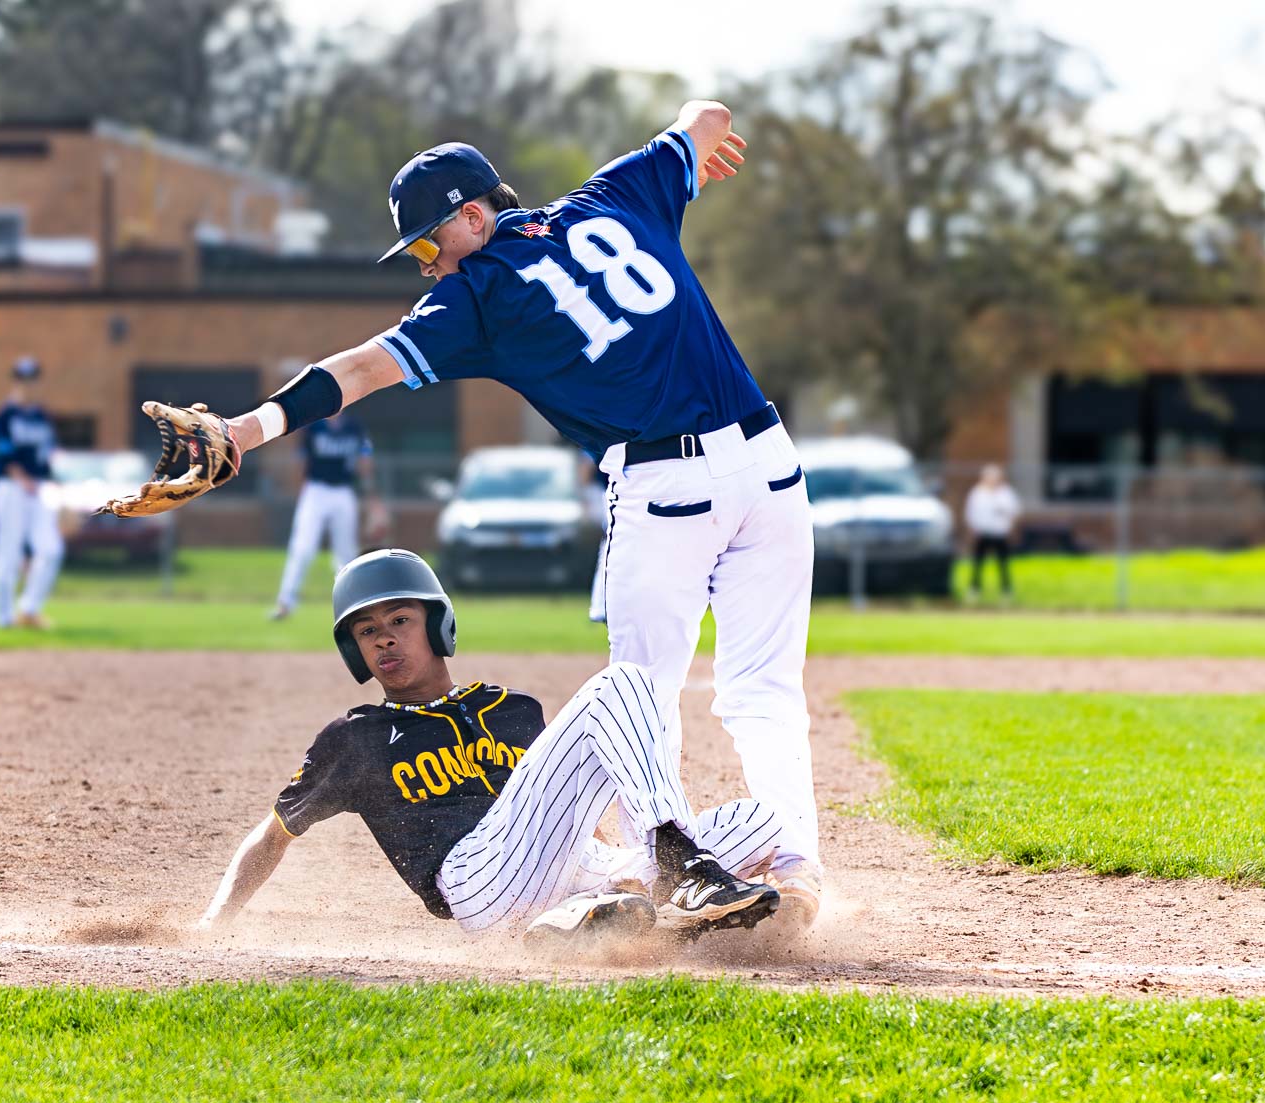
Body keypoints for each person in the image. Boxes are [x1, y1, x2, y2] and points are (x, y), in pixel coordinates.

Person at [140, 100, 824, 926]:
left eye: (430, 242)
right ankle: (795, 873)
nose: (426, 263)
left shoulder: (481, 297)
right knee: (764, 690)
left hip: (665, 486)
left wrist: (244, 430)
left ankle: (670, 866)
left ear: (476, 214)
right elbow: (709, 115)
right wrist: (695, 142)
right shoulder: (615, 194)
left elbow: (356, 371)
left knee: (640, 687)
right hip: (773, 467)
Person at [197, 548, 806, 945]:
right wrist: (214, 924)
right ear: (354, 651)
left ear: (437, 626)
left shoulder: (514, 710)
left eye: (400, 621)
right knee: (622, 684)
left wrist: (613, 861)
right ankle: (679, 871)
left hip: (564, 868)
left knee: (762, 820)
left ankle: (614, 917)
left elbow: (561, 811)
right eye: (367, 631)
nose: (385, 640)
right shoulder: (355, 738)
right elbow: (275, 832)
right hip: (473, 881)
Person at [270, 412, 381, 621]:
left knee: (346, 553)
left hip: (343, 491)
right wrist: (299, 492)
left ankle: (352, 605)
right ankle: (285, 602)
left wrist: (371, 496)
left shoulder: (354, 426)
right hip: (315, 490)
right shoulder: (313, 426)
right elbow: (300, 461)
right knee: (302, 548)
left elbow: (364, 462)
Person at [0, 356, 64, 630]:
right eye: (22, 379)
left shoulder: (43, 416)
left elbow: (51, 456)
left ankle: (29, 609)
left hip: (40, 489)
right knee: (8, 555)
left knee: (51, 549)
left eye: (32, 379)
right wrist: (22, 479)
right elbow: (4, 454)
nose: (27, 385)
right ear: (15, 382)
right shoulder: (5, 414)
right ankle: (3, 617)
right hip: (11, 488)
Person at [964, 464, 1021, 602]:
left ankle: (1006, 591)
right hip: (983, 533)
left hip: (1000, 533)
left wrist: (1011, 529)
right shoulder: (977, 493)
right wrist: (972, 531)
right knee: (978, 563)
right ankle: (974, 590)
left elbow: (1015, 512)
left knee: (1003, 564)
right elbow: (970, 513)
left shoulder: (1005, 493)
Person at [579, 451, 610, 624]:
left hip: (617, 492)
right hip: (605, 492)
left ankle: (601, 605)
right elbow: (586, 466)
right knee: (609, 543)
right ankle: (600, 606)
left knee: (609, 545)